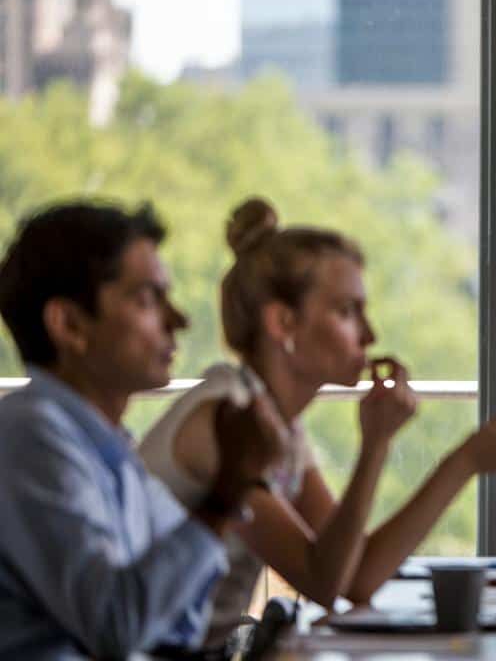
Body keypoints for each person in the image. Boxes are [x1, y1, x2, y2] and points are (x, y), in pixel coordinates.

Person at [138, 198, 496, 649]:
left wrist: (467, 461)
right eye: (346, 312)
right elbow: (323, 581)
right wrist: (378, 445)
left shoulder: (277, 424)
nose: (369, 335)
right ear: (284, 323)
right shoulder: (225, 420)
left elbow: (355, 578)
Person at [0, 201, 286, 659]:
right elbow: (119, 625)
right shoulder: (30, 439)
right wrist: (225, 494)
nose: (179, 321)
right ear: (70, 325)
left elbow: (180, 622)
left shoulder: (108, 448)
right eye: (148, 299)